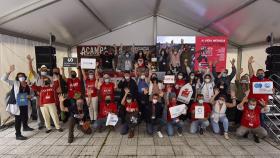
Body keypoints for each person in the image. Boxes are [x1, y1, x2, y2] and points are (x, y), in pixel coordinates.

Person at [1, 65, 34, 140]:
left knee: (25, 115)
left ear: (25, 77)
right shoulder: (15, 83)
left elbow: (31, 93)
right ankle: (18, 134)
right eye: (19, 76)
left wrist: (30, 96)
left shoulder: (27, 84)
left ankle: (25, 127)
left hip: (24, 102)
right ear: (17, 78)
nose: (21, 77)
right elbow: (3, 79)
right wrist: (10, 71)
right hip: (16, 103)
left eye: (22, 76)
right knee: (18, 118)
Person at [248, 56, 273, 126]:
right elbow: (250, 72)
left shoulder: (268, 81)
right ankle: (251, 131)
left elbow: (272, 92)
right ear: (256, 74)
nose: (260, 74)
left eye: (262, 73)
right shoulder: (253, 79)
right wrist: (249, 64)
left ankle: (261, 133)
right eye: (258, 73)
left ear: (264, 74)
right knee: (251, 118)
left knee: (262, 119)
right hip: (252, 104)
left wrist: (272, 90)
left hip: (262, 104)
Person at [27, 54, 49, 130]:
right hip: (39, 96)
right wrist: (30, 62)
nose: (44, 71)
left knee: (48, 109)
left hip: (48, 95)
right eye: (43, 70)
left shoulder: (49, 77)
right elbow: (31, 70)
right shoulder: (37, 76)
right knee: (39, 109)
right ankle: (40, 124)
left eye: (45, 70)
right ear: (40, 71)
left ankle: (50, 122)